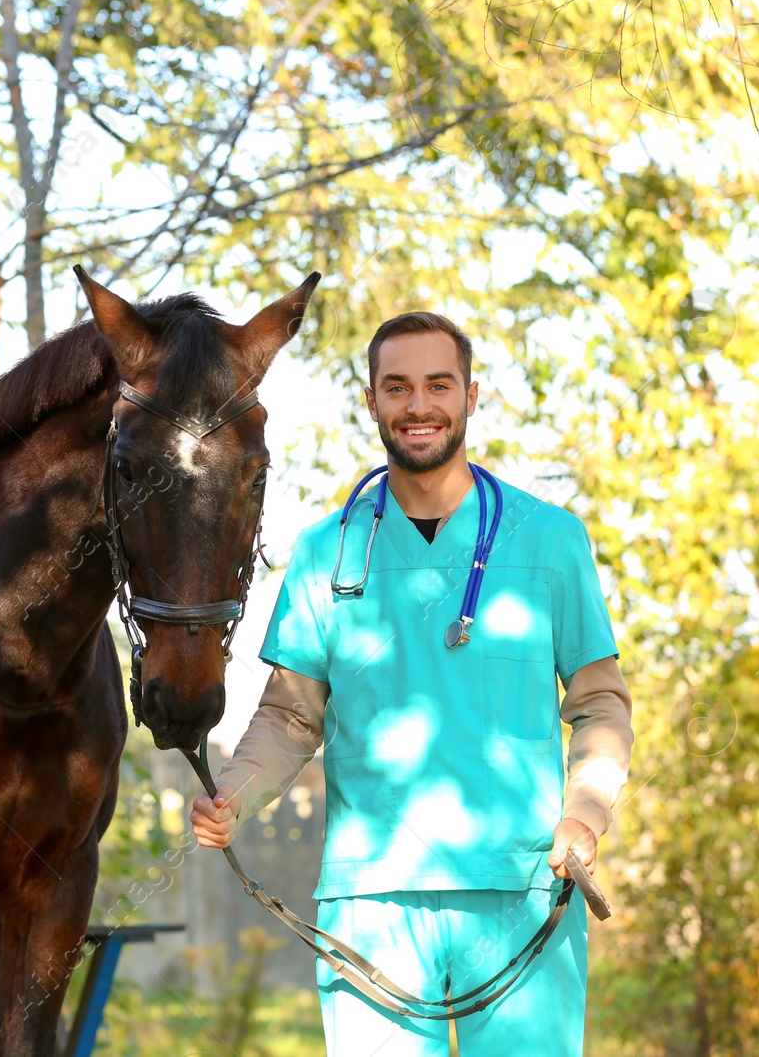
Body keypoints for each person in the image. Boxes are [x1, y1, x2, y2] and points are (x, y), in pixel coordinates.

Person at [190, 313, 635, 1056]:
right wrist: (234, 793)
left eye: (438, 384)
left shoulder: (551, 540)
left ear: (470, 396)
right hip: (372, 903)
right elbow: (291, 718)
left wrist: (586, 812)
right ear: (371, 401)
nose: (417, 404)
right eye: (397, 386)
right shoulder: (324, 550)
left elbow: (600, 705)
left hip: (521, 887)